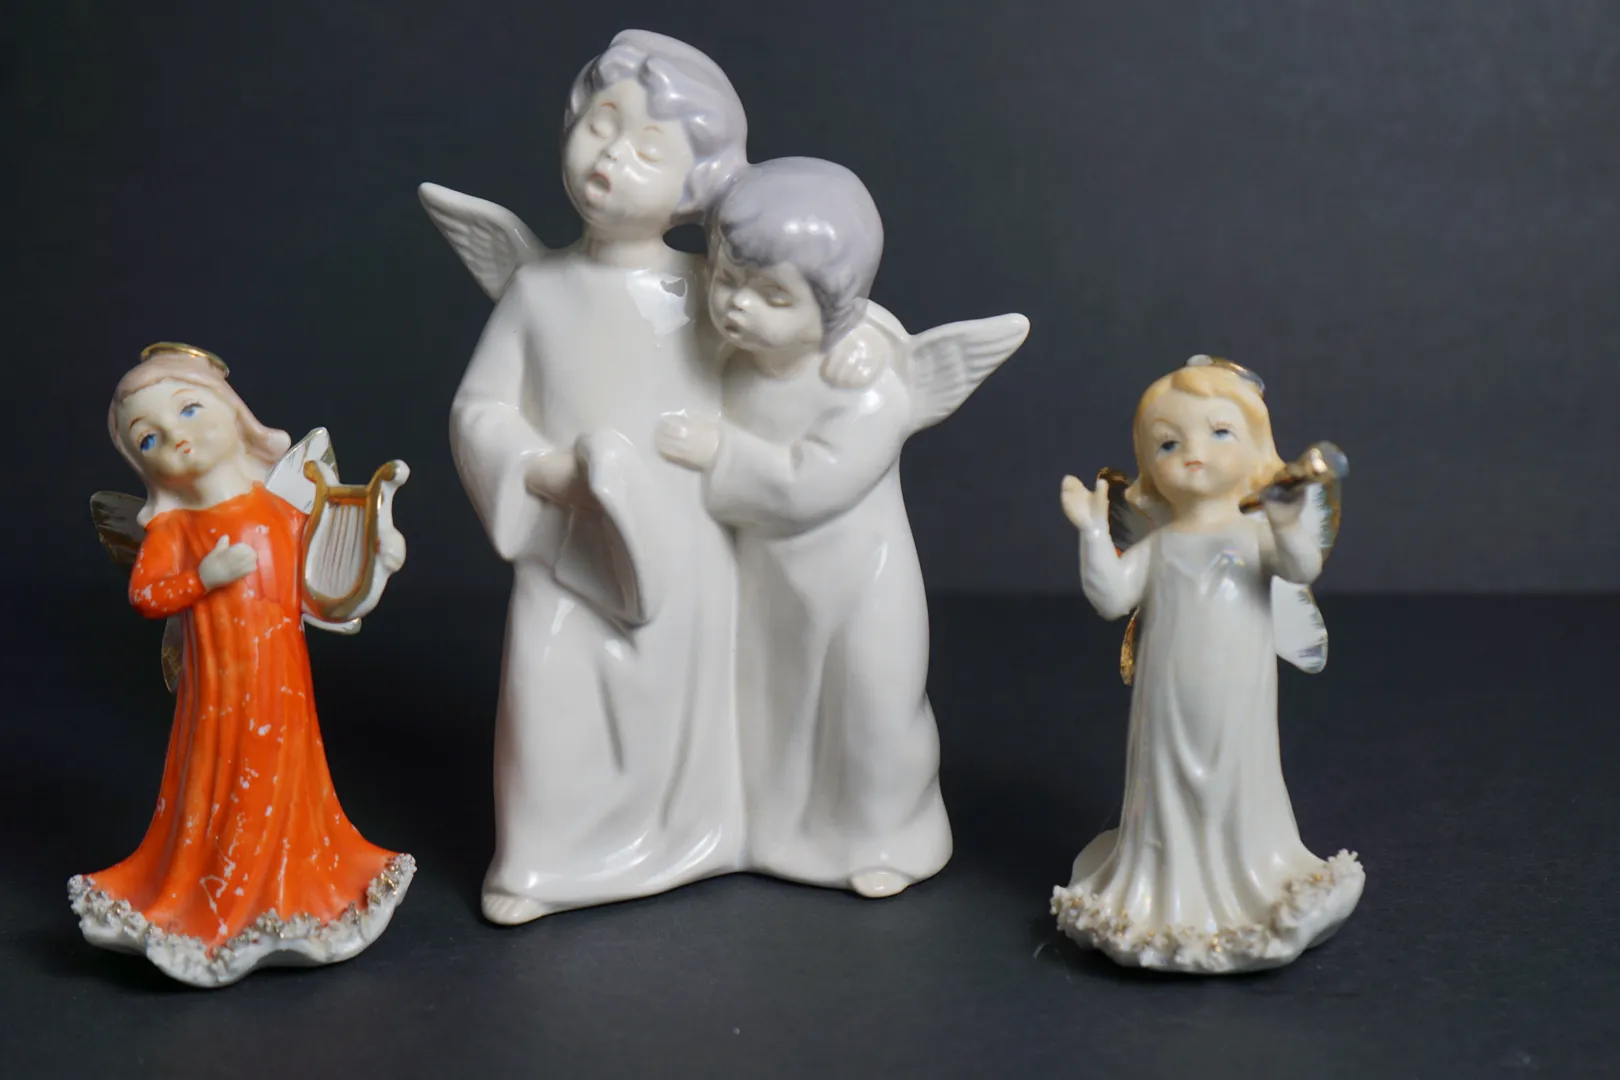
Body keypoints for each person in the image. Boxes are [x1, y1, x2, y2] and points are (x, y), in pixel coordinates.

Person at [445, 31, 751, 924]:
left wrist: (858, 358)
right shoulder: (539, 292)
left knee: (675, 700)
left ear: (697, 184)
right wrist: (545, 470)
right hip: (565, 535)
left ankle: (695, 835)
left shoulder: (712, 292)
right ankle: (541, 859)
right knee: (548, 693)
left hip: (685, 536)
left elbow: (785, 360)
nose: (610, 159)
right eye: (600, 126)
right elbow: (479, 408)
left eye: (649, 149)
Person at [71, 343, 412, 987]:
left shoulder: (280, 509)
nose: (177, 437)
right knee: (223, 785)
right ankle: (217, 900)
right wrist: (203, 577)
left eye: (189, 409)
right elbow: (146, 596)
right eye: (148, 438)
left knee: (288, 783)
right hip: (219, 693)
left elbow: (323, 592)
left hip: (284, 685)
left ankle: (290, 891)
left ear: (234, 412)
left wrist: (380, 558)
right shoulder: (174, 530)